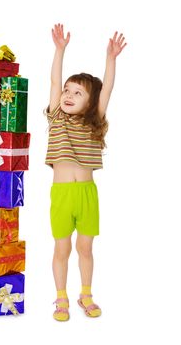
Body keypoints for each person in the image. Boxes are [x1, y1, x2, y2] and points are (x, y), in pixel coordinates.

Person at [45, 24, 127, 321]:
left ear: (90, 103)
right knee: (62, 248)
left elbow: (108, 89)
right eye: (68, 90)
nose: (68, 94)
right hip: (63, 193)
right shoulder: (57, 117)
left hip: (88, 194)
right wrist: (59, 50)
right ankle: (61, 298)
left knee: (85, 248)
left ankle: (86, 294)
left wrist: (111, 59)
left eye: (77, 92)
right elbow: (54, 82)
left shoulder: (95, 122)